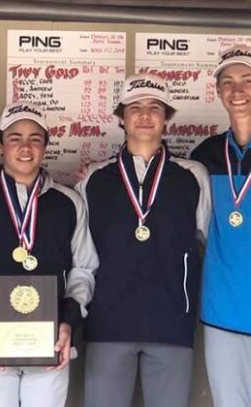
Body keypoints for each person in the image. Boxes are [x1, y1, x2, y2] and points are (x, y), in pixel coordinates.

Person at [0, 101, 98, 407]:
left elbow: (84, 269)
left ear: (45, 147)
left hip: (52, 341)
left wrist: (67, 322)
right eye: (15, 138)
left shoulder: (68, 203)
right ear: (0, 146)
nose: (25, 148)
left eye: (35, 139)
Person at [76, 73, 211, 407]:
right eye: (135, 107)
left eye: (155, 107)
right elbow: (82, 251)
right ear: (121, 117)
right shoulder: (94, 178)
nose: (145, 115)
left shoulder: (192, 175)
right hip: (108, 322)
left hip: (171, 323)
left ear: (167, 117)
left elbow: (202, 239)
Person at [191, 45, 251, 407]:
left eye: (247, 80)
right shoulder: (205, 155)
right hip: (222, 310)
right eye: (227, 81)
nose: (237, 89)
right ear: (218, 91)